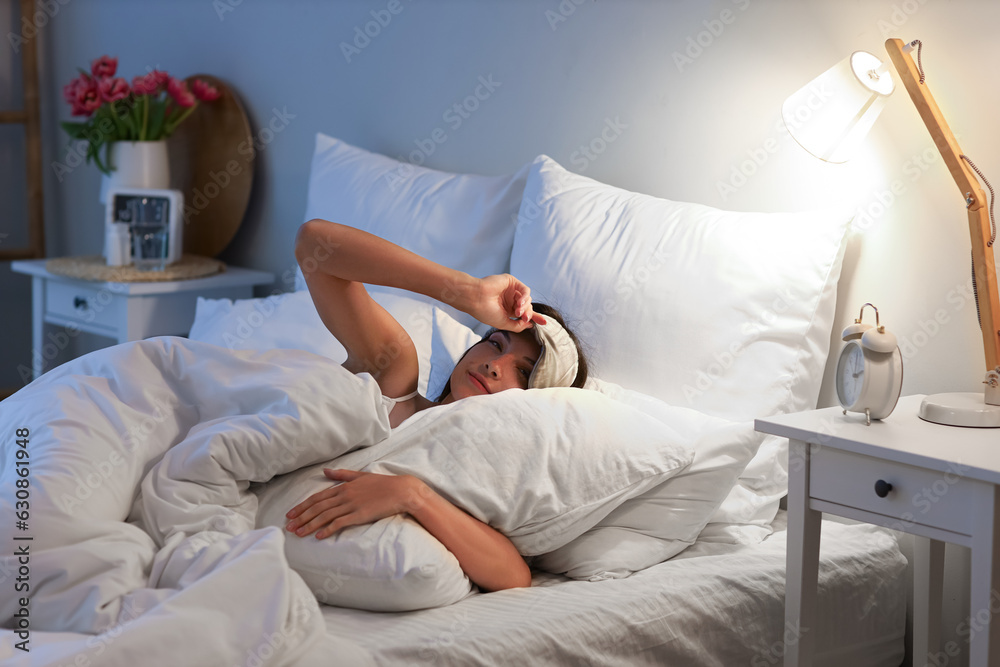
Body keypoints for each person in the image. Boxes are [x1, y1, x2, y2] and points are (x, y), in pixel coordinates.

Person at [284, 218, 588, 593]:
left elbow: (512, 576)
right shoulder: (394, 375)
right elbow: (314, 243)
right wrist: (468, 293)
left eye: (523, 373)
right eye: (495, 344)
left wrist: (411, 494)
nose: (495, 364)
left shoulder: (485, 476)